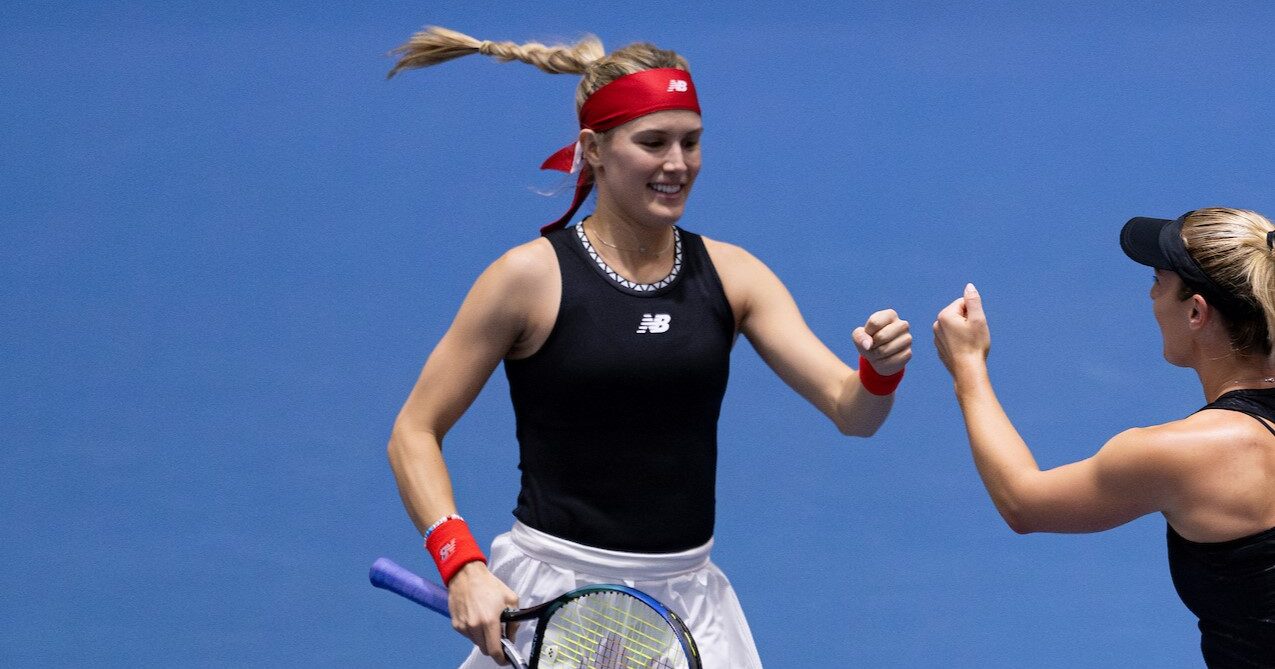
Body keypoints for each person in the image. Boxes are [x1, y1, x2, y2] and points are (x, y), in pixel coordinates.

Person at [383, 25, 913, 668]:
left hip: (692, 605)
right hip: (552, 594)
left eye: (691, 143)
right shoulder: (526, 279)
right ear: (594, 149)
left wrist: (879, 372)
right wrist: (461, 565)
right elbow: (414, 430)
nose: (677, 164)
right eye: (653, 142)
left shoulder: (735, 275)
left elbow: (850, 410)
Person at [933, 207, 1275, 666]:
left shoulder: (1186, 453)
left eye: (1159, 281)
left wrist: (967, 366)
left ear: (1196, 311)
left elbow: (1023, 501)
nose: (1150, 296)